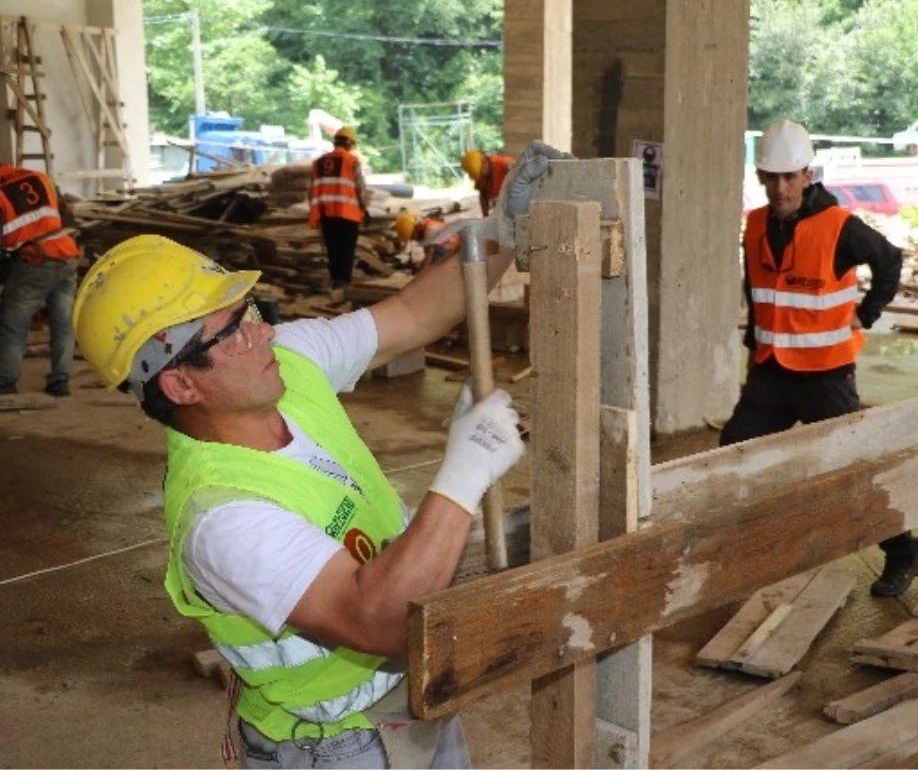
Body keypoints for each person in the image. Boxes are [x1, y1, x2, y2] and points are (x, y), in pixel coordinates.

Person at [71, 143, 569, 767]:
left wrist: (502, 232)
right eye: (233, 329)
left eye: (250, 310)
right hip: (336, 745)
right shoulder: (223, 519)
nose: (263, 331)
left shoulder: (284, 363)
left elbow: (413, 315)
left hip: (416, 689)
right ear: (181, 384)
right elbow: (380, 621)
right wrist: (465, 472)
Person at [721, 120, 916, 596]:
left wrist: (865, 314)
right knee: (732, 456)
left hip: (825, 376)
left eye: (790, 177)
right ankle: (732, 554)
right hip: (771, 372)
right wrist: (755, 355)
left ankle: (905, 553)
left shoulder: (838, 226)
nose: (780, 187)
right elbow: (758, 293)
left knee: (857, 469)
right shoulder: (755, 223)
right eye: (771, 176)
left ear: (808, 175)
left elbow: (889, 259)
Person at [0, 164, 79, 396]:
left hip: (35, 261)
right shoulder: (40, 177)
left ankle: (5, 382)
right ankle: (60, 382)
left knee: (13, 325)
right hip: (66, 255)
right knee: (63, 324)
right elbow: (66, 214)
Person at [309, 126, 369, 289]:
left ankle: (336, 279)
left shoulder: (318, 163)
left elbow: (313, 190)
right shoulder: (351, 161)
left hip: (326, 213)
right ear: (350, 144)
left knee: (333, 249)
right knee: (346, 249)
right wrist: (365, 208)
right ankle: (343, 281)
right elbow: (359, 188)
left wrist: (315, 214)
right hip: (347, 213)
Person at [394, 212, 459, 269]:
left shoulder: (430, 228)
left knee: (434, 260)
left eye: (413, 237)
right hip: (451, 249)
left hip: (454, 251)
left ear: (416, 228)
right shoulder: (426, 226)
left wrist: (420, 275)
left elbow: (429, 254)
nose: (414, 240)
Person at [461, 149, 514, 217]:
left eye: (480, 173)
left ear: (484, 162)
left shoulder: (504, 164)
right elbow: (483, 196)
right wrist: (485, 215)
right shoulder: (479, 172)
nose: (480, 176)